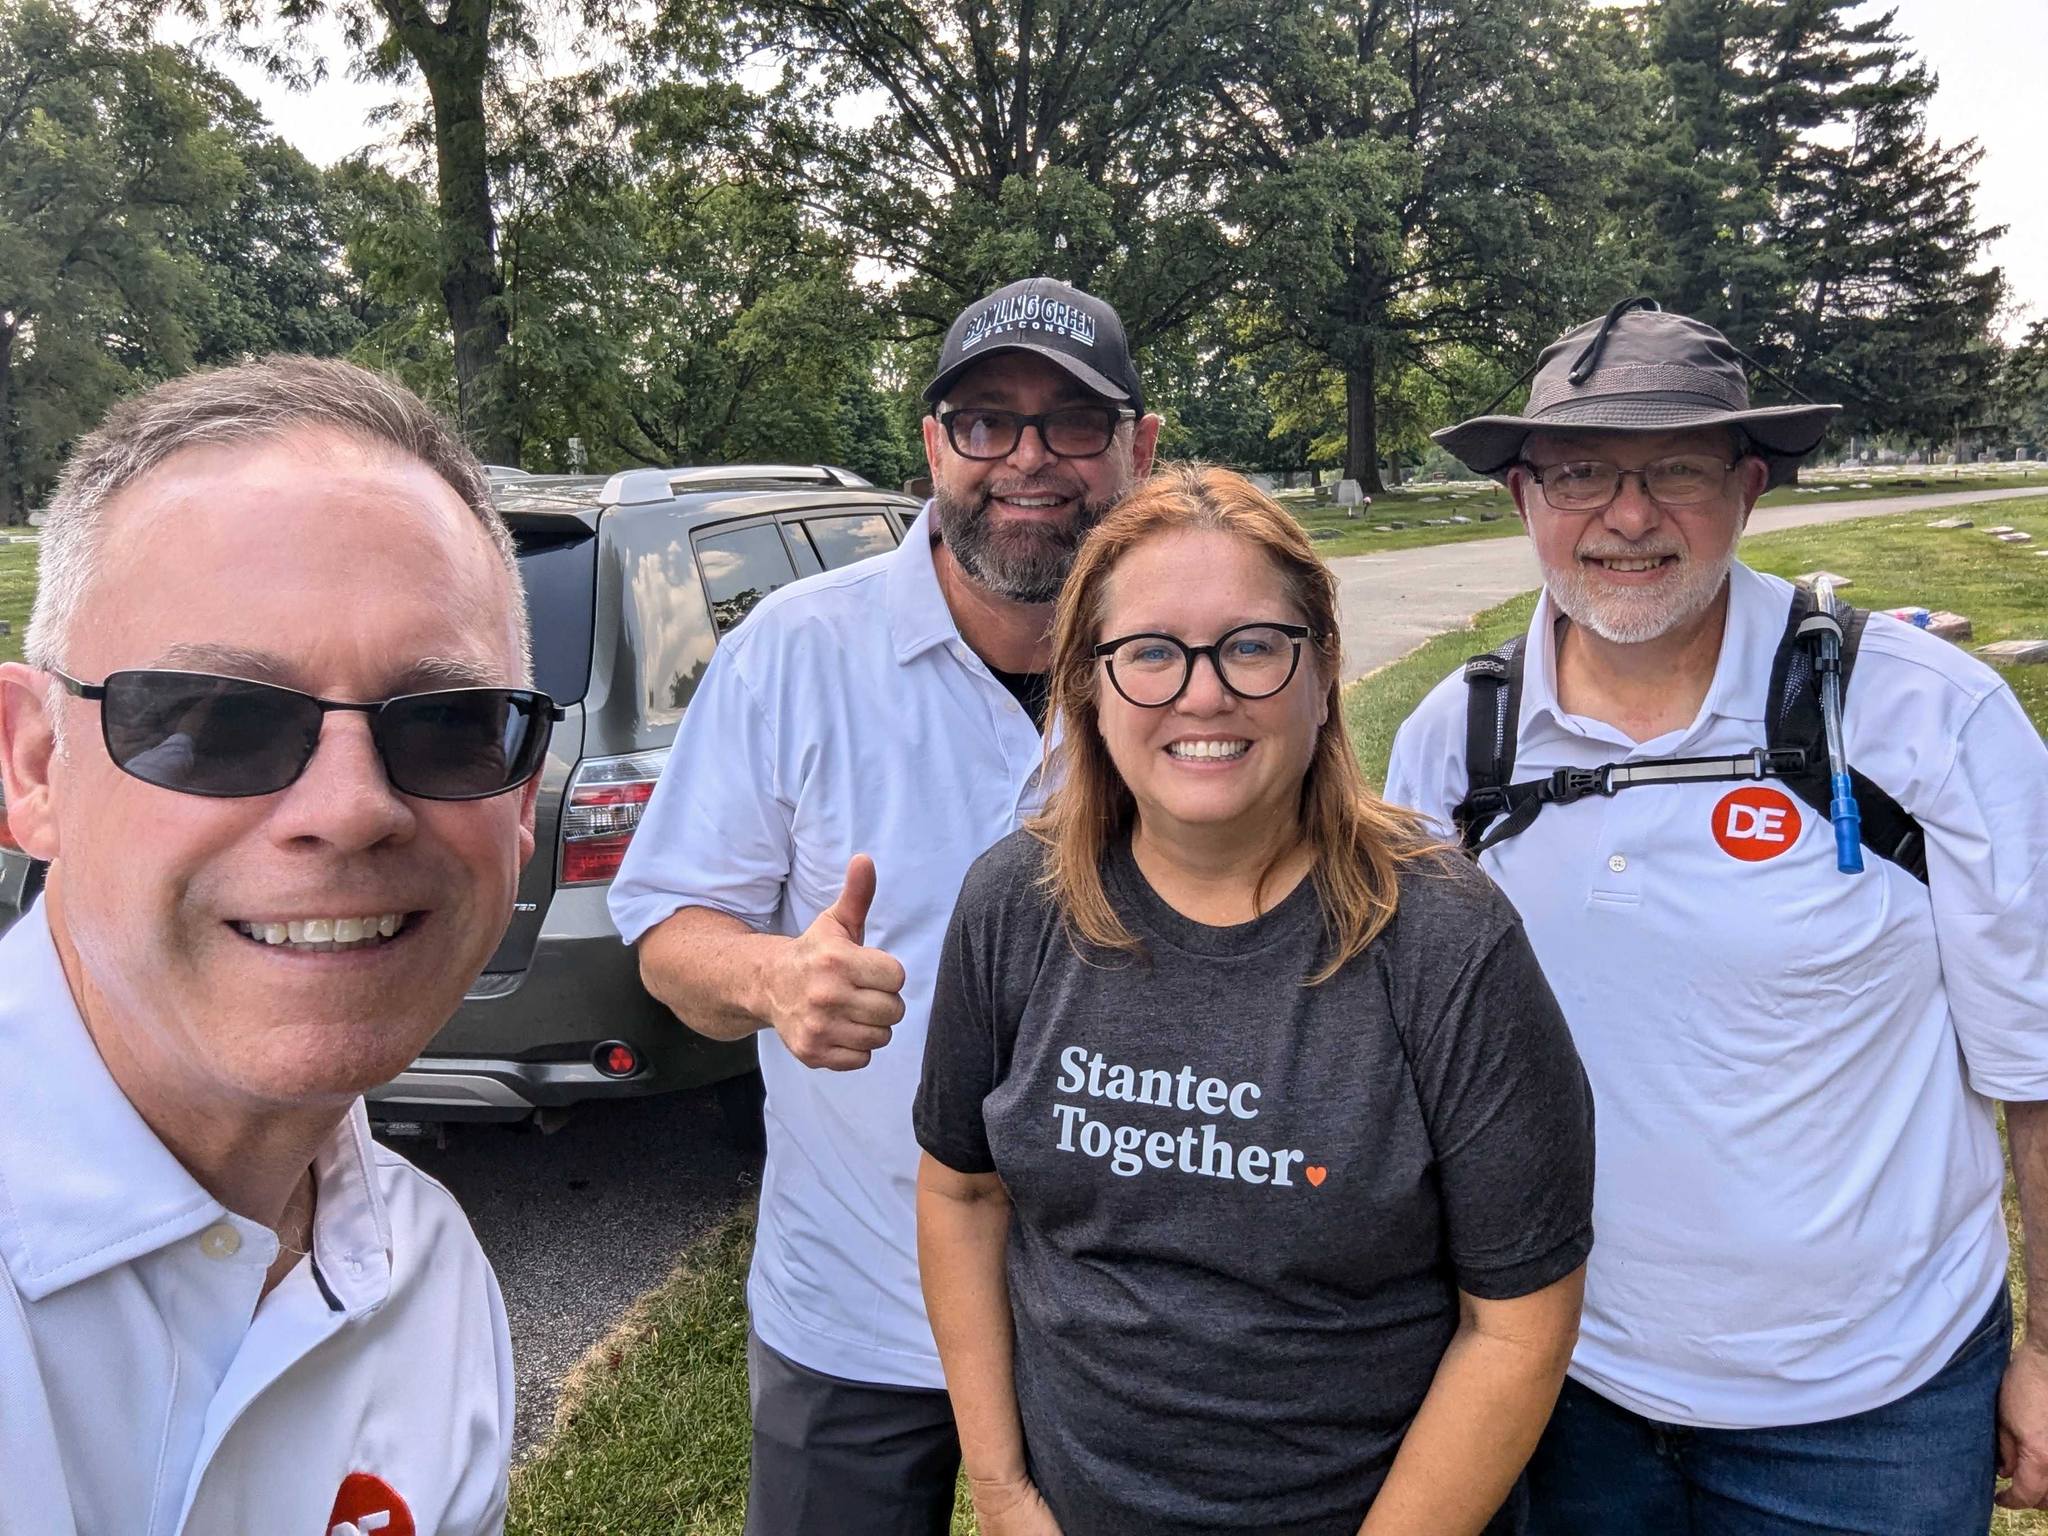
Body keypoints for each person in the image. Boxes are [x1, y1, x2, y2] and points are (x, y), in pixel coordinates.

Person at [1383, 297, 2048, 1533]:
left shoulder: (1923, 720)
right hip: (1553, 1386)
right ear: (1519, 497)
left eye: (1674, 470)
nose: (1626, 517)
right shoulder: (1450, 747)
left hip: (1870, 1407)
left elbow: (2039, 1067)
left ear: (1747, 489)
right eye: (1580, 472)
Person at [915, 464, 1596, 1536]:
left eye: (1250, 645)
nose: (1201, 692)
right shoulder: (1014, 903)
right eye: (1148, 651)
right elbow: (960, 1195)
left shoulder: (1446, 941)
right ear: (1086, 686)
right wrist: (998, 1491)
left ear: (1322, 671)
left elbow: (1516, 1325)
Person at [608, 276, 1162, 1534]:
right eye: (984, 420)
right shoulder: (795, 652)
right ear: (930, 444)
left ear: (1138, 447)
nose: (1026, 460)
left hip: (1126, 1320)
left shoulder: (1189, 668)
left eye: (1072, 423)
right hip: (856, 1307)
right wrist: (771, 982)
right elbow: (667, 930)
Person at [0, 357, 550, 1536]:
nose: (351, 808)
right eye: (218, 719)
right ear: (35, 766)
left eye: (449, 725)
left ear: (520, 805)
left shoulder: (432, 1280)